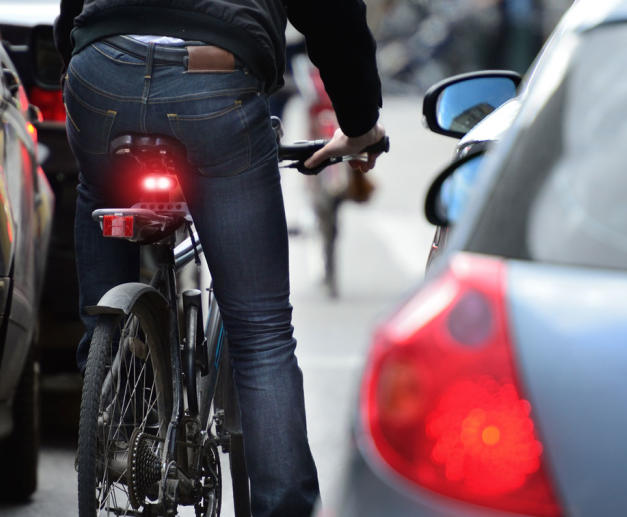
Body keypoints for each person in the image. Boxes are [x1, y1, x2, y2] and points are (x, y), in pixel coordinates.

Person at [54, 0, 386, 515]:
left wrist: (79, 51)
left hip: (102, 66)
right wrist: (360, 122)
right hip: (214, 77)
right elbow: (333, 15)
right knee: (260, 332)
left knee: (98, 190)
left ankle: (115, 411)